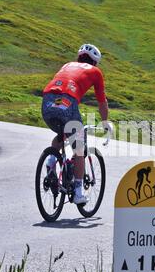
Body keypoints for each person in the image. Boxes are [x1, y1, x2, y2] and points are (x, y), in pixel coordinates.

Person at [42, 43, 111, 204]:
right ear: (95, 62)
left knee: (62, 134)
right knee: (79, 149)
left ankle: (51, 161)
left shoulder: (67, 65)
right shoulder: (95, 71)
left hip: (47, 102)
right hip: (67, 101)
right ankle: (79, 192)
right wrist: (105, 122)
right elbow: (102, 101)